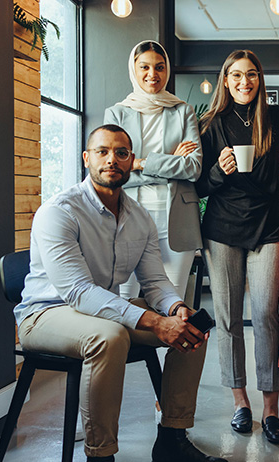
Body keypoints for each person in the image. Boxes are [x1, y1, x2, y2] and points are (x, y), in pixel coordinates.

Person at [13, 125, 229, 462]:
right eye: (102, 152)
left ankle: (172, 438)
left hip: (103, 308)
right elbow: (78, 292)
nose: (112, 159)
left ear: (132, 160)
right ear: (87, 158)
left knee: (194, 324)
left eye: (121, 153)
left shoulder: (139, 216)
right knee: (110, 337)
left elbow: (155, 281)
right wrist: (151, 320)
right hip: (45, 313)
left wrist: (175, 309)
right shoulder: (59, 212)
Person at [197, 50, 279, 444]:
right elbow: (200, 186)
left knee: (267, 313)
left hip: (270, 227)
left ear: (260, 79)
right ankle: (240, 401)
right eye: (236, 75)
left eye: (251, 74)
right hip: (222, 229)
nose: (244, 81)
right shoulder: (210, 124)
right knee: (228, 317)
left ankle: (271, 408)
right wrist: (220, 171)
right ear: (225, 79)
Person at [104, 40, 202, 301]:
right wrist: (169, 161)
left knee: (171, 301)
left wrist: (140, 162)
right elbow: (113, 173)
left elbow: (192, 168)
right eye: (144, 67)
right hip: (127, 216)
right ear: (133, 70)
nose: (153, 74)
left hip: (176, 220)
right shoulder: (116, 114)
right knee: (123, 301)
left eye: (159, 67)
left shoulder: (183, 111)